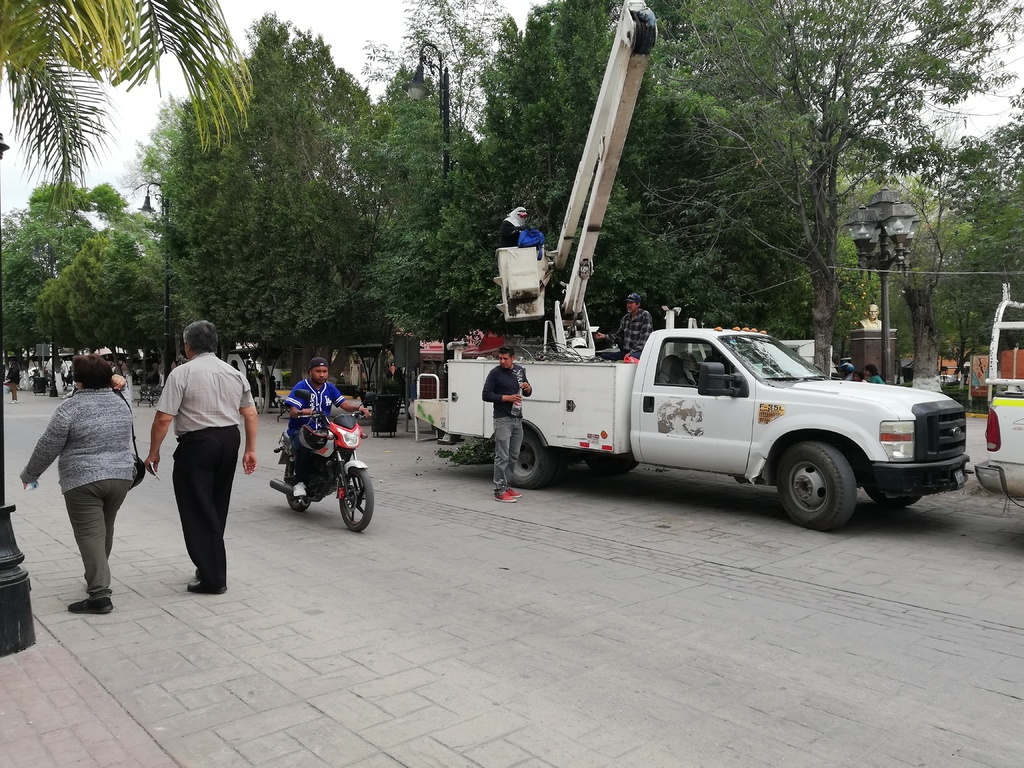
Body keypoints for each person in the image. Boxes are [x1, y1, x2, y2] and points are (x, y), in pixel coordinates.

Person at [145, 320, 258, 595]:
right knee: (216, 505)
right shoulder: (234, 373)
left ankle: (213, 577)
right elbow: (251, 413)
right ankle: (210, 563)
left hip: (197, 444)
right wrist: (250, 449)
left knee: (196, 507)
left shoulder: (182, 373)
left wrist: (153, 452)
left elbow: (163, 418)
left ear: (188, 345)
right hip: (229, 440)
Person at [20, 354, 135, 614]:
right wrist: (119, 380)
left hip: (82, 481)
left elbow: (48, 446)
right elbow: (124, 386)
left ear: (78, 382)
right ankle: (97, 578)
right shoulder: (121, 400)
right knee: (104, 529)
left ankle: (99, 596)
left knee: (90, 535)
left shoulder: (69, 408)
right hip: (120, 477)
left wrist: (30, 474)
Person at [284, 356, 369, 499]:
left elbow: (343, 404)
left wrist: (359, 408)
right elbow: (293, 411)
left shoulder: (329, 388)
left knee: (342, 445)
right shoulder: (301, 387)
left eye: (324, 371)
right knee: (304, 447)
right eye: (318, 371)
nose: (322, 374)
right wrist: (302, 411)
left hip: (324, 430)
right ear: (310, 371)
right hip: (301, 430)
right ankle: (299, 482)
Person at [482, 346, 532, 503]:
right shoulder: (495, 373)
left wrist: (528, 388)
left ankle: (506, 484)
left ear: (513, 358)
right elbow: (486, 395)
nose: (502, 361)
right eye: (500, 358)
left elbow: (528, 391)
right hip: (502, 418)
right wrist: (506, 398)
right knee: (502, 455)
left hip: (517, 418)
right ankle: (499, 490)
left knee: (513, 455)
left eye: (505, 358)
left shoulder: (519, 371)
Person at [594, 293, 654, 361]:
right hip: (626, 353)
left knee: (629, 359)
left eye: (631, 303)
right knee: (603, 357)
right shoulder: (625, 319)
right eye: (627, 303)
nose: (628, 305)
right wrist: (604, 336)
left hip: (640, 352)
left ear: (638, 304)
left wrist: (631, 353)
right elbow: (618, 336)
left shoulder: (645, 315)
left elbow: (644, 340)